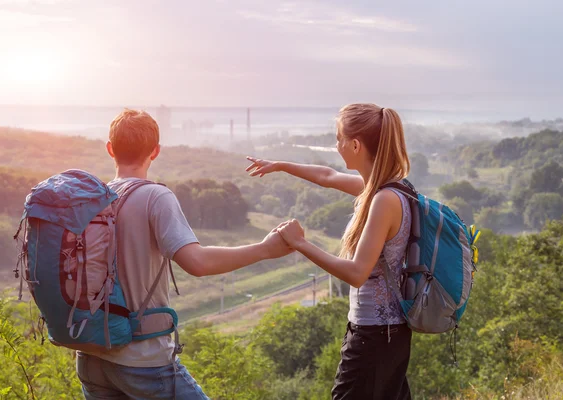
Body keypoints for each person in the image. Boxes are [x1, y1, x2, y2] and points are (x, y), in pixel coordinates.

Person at [76, 109, 292, 399]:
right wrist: (265, 249)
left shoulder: (92, 200)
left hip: (90, 357)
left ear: (110, 149)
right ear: (155, 151)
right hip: (141, 357)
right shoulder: (155, 196)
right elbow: (197, 262)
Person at [246, 103, 413, 399]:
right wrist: (281, 165)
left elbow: (357, 273)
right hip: (388, 334)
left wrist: (301, 244)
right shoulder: (390, 187)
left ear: (356, 144)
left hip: (375, 336)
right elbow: (327, 176)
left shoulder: (383, 200)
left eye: (338, 138)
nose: (336, 146)